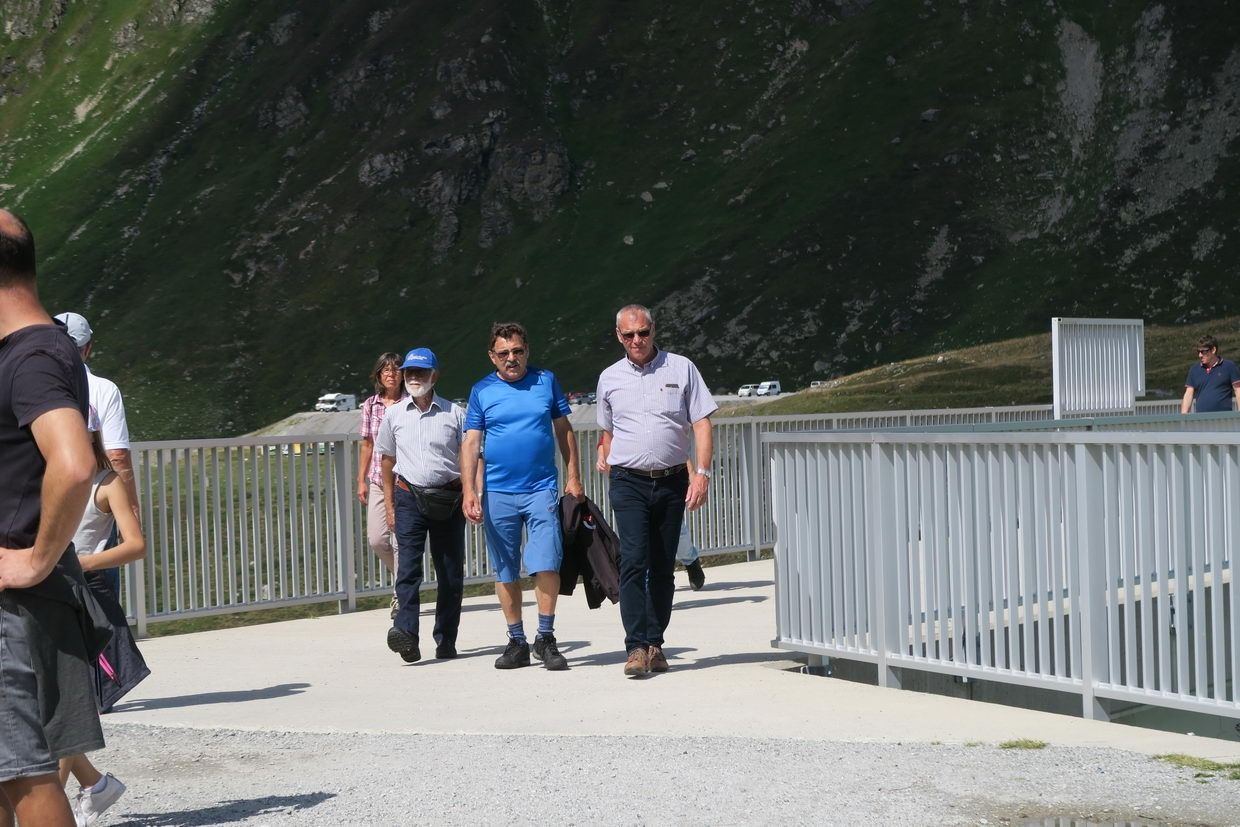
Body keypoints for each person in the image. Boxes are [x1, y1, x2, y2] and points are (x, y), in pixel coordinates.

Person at [0, 208, 104, 827]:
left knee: (23, 776)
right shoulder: (37, 348)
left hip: (13, 601)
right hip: (19, 597)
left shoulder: (33, 355)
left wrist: (35, 561)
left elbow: (73, 463)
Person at [596, 304, 717, 676]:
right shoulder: (609, 377)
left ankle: (655, 644)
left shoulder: (681, 368)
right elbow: (608, 430)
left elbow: (702, 423)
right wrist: (603, 450)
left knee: (663, 566)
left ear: (653, 331)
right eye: (629, 334)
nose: (637, 340)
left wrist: (701, 474)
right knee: (633, 560)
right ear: (619, 336)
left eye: (643, 333)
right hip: (628, 481)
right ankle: (635, 647)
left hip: (671, 480)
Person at [461, 322, 583, 671]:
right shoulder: (481, 390)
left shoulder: (545, 380)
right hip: (498, 491)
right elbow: (470, 443)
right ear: (492, 357)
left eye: (517, 351)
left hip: (541, 488)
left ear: (527, 350)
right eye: (503, 353)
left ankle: (545, 637)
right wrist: (469, 490)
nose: (511, 358)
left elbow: (564, 429)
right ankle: (516, 641)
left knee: (547, 562)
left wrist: (573, 477)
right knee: (506, 569)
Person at [59, 429, 147, 825]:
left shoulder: (107, 483)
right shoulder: (45, 474)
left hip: (81, 592)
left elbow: (136, 545)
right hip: (39, 588)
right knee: (46, 706)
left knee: (62, 705)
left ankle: (50, 809)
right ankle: (95, 785)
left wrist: (84, 563)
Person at [377, 348, 467, 663]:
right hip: (408, 497)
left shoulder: (455, 413)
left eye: (421, 372)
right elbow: (387, 461)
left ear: (434, 375)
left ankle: (446, 639)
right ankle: (406, 635)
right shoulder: (394, 415)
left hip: (448, 499)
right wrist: (389, 504)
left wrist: (472, 494)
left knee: (450, 573)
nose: (414, 377)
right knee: (408, 570)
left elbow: (470, 457)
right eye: (409, 372)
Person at [51, 313, 138, 534]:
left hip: (44, 497)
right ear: (88, 348)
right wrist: (131, 511)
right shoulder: (104, 389)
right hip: (93, 497)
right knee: (100, 554)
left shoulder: (31, 385)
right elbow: (117, 455)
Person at [596, 434, 705, 590]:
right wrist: (601, 455)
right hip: (631, 484)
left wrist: (693, 474)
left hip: (665, 481)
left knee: (678, 532)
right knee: (639, 538)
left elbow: (675, 444)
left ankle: (690, 560)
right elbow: (607, 437)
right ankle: (646, 586)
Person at [357, 353, 404, 584]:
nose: (391, 374)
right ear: (379, 375)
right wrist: (360, 480)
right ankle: (404, 579)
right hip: (377, 479)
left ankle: (401, 594)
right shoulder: (370, 405)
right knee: (377, 539)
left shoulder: (411, 402)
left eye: (396, 369)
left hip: (405, 481)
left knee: (400, 541)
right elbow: (367, 444)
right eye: (386, 370)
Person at [1181, 335, 1240, 414]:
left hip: (1224, 419)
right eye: (1198, 352)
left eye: (1203, 351)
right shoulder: (1194, 370)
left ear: (1213, 350)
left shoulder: (1229, 366)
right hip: (1201, 419)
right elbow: (1188, 394)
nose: (1200, 355)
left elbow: (1238, 390)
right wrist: (1183, 418)